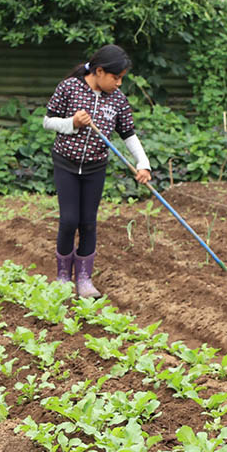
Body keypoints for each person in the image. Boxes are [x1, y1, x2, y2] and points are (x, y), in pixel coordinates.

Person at [42, 44, 151, 298]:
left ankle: (84, 279)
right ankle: (62, 278)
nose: (119, 83)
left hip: (95, 168)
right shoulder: (69, 87)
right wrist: (72, 123)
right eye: (116, 77)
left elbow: (128, 135)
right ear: (99, 71)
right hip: (66, 164)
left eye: (121, 78)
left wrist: (143, 163)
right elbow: (48, 121)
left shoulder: (118, 100)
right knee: (69, 220)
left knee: (88, 223)